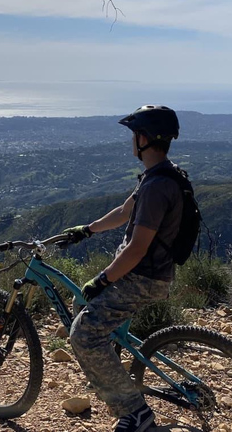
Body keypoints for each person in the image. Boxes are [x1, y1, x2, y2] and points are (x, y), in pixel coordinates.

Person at [64, 105, 184, 432]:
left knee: (84, 335)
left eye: (134, 135)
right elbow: (123, 212)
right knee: (85, 308)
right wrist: (87, 229)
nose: (132, 141)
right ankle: (110, 367)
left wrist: (101, 280)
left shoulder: (158, 187)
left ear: (143, 139)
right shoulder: (160, 176)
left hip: (142, 278)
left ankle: (135, 413)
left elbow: (136, 248)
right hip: (146, 273)